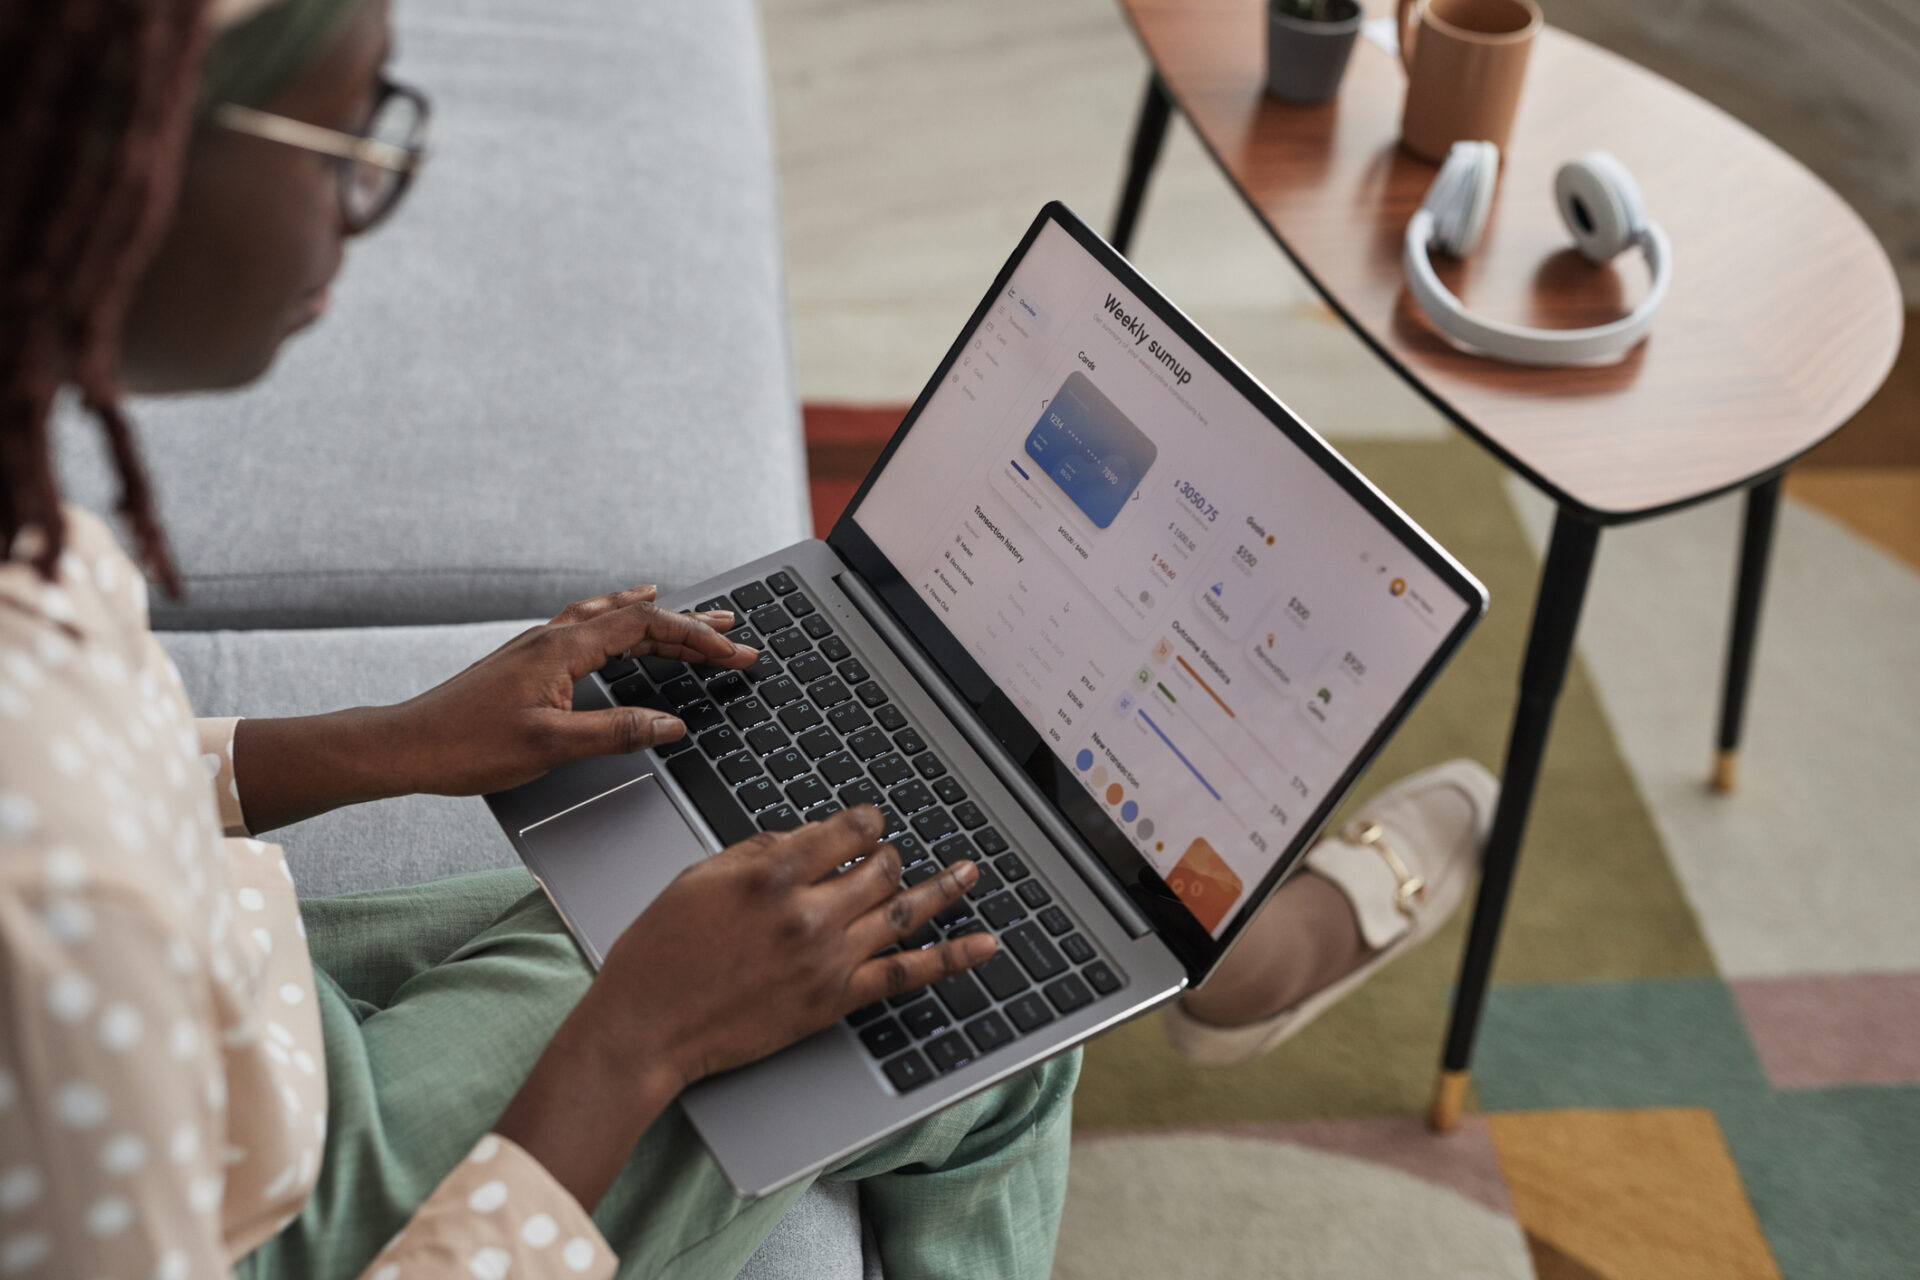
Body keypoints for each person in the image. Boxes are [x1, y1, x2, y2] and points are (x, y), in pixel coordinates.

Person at [0, 0, 1493, 1276]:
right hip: (293, 1189)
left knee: (818, 881)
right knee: (983, 993)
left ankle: (1195, 956)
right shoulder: (53, 893)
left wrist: (399, 739)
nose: (370, 196)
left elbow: (69, 765)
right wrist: (636, 1044)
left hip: (245, 996)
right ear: (119, 152)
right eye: (347, 142)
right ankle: (1223, 968)